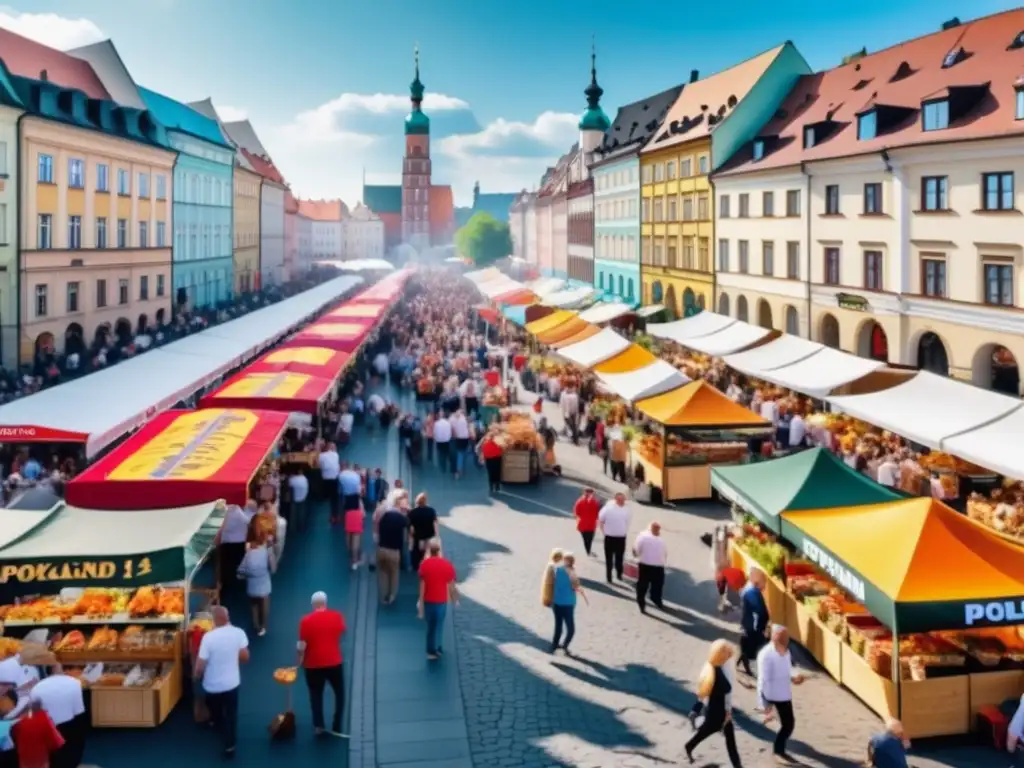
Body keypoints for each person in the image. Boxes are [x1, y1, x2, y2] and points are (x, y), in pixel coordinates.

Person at [195, 606, 250, 759]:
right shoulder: (239, 633)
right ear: (227, 617)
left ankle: (215, 721)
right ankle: (229, 745)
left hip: (212, 685)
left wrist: (196, 676)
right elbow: (245, 657)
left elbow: (200, 665)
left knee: (214, 707)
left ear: (214, 620)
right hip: (232, 684)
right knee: (231, 715)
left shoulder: (208, 638)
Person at [684, 639, 742, 767]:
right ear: (721, 654)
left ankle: (737, 765)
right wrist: (728, 712)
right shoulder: (718, 673)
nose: (730, 653)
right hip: (719, 713)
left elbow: (704, 690)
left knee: (727, 737)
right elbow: (726, 693)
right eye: (727, 652)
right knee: (709, 731)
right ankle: (689, 746)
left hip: (715, 710)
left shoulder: (712, 667)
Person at [298, 592, 347, 738]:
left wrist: (300, 660)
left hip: (313, 663)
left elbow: (301, 645)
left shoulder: (305, 621)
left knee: (315, 694)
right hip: (334, 661)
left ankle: (319, 725)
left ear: (313, 604)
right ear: (326, 602)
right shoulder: (337, 616)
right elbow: (342, 631)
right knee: (339, 693)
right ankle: (337, 724)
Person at [757, 625, 805, 763]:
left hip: (783, 692)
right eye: (782, 639)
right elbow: (763, 680)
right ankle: (778, 750)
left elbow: (788, 669)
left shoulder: (786, 651)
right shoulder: (766, 655)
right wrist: (764, 704)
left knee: (789, 723)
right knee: (788, 724)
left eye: (786, 639)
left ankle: (779, 747)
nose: (786, 642)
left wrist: (795, 677)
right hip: (773, 694)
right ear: (774, 638)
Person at [27, 672, 84, 768]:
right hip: (69, 723)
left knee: (53, 754)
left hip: (47, 724)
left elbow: (34, 713)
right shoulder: (74, 682)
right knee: (72, 752)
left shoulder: (37, 688)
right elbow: (79, 710)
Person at [417, 539, 458, 661]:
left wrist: (420, 604)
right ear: (439, 551)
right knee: (439, 624)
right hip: (441, 600)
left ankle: (430, 651)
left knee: (430, 626)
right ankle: (439, 647)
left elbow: (422, 585)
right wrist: (455, 599)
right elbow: (451, 585)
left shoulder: (425, 565)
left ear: (430, 551)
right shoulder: (447, 565)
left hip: (429, 600)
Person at [238, 521, 275, 636]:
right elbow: (273, 567)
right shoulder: (266, 552)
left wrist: (245, 575)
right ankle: (263, 625)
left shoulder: (249, 553)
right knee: (264, 603)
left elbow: (241, 570)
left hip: (252, 584)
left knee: (253, 604)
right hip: (264, 581)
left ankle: (256, 626)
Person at [11, 699, 64, 768]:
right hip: (40, 758)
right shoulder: (44, 717)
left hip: (24, 758)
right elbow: (55, 742)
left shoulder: (18, 719)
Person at [550, 552, 584, 655]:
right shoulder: (572, 573)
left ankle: (554, 645)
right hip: (568, 604)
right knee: (571, 629)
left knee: (558, 626)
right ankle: (564, 646)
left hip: (556, 603)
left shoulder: (557, 570)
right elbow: (576, 587)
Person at [218, 501, 255, 592]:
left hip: (227, 543)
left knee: (226, 567)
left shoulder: (227, 511)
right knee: (231, 566)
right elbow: (249, 522)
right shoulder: (237, 511)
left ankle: (224, 587)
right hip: (237, 543)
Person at [376, 498, 408, 605]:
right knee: (394, 574)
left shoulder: (383, 517)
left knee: (383, 574)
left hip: (381, 550)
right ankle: (392, 596)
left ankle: (384, 596)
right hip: (394, 551)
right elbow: (408, 527)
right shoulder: (401, 518)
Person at [739, 568, 770, 676]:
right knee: (754, 648)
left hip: (749, 626)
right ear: (757, 582)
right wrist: (761, 628)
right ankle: (749, 664)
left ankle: (743, 659)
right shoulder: (752, 593)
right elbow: (760, 612)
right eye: (764, 583)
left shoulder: (749, 591)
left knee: (748, 646)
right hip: (753, 628)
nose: (765, 587)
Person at [633, 522, 667, 614]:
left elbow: (636, 549)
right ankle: (657, 600)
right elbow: (665, 554)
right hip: (658, 566)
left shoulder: (643, 537)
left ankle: (641, 603)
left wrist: (636, 557)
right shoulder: (661, 540)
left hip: (645, 564)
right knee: (657, 585)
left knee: (642, 585)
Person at [598, 492, 631, 583]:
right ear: (615, 499)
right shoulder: (607, 508)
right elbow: (601, 520)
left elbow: (628, 522)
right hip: (609, 537)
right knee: (609, 558)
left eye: (623, 499)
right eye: (620, 499)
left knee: (619, 558)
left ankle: (619, 574)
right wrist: (604, 532)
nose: (622, 501)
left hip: (621, 537)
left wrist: (623, 531)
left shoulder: (626, 510)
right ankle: (609, 576)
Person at [407, 493, 439, 571]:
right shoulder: (431, 511)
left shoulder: (413, 512)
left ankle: (416, 566)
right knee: (427, 551)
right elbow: (435, 523)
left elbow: (411, 527)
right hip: (429, 536)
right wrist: (437, 535)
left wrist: (410, 537)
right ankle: (428, 566)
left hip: (418, 536)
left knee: (417, 552)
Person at [318, 443, 341, 524]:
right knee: (335, 499)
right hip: (335, 479)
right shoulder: (336, 455)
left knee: (331, 498)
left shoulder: (322, 455)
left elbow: (321, 466)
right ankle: (336, 516)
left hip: (326, 480)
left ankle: (332, 516)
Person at [573, 488, 600, 556]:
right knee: (590, 539)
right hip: (591, 524)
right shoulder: (595, 502)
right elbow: (598, 513)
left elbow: (576, 512)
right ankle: (588, 551)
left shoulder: (579, 501)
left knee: (585, 539)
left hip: (582, 524)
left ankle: (587, 551)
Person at [478, 429, 504, 494]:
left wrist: (481, 456)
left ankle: (492, 486)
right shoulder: (498, 440)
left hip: (489, 458)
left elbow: (480, 447)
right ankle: (496, 485)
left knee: (491, 472)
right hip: (496, 457)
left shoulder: (486, 439)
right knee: (497, 471)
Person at [344, 496, 364, 571]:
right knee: (356, 543)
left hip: (349, 518)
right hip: (357, 517)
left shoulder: (347, 511)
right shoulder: (358, 500)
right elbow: (363, 514)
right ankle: (355, 561)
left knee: (349, 541)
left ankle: (351, 557)